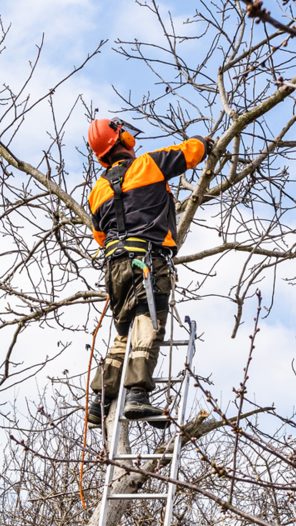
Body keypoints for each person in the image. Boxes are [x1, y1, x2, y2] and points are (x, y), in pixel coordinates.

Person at [86, 118, 211, 426]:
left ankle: (101, 398)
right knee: (149, 324)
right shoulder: (147, 164)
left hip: (114, 267)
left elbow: (99, 236)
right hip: (147, 261)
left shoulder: (98, 190)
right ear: (122, 139)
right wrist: (203, 140)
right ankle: (138, 394)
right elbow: (191, 153)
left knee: (126, 330)